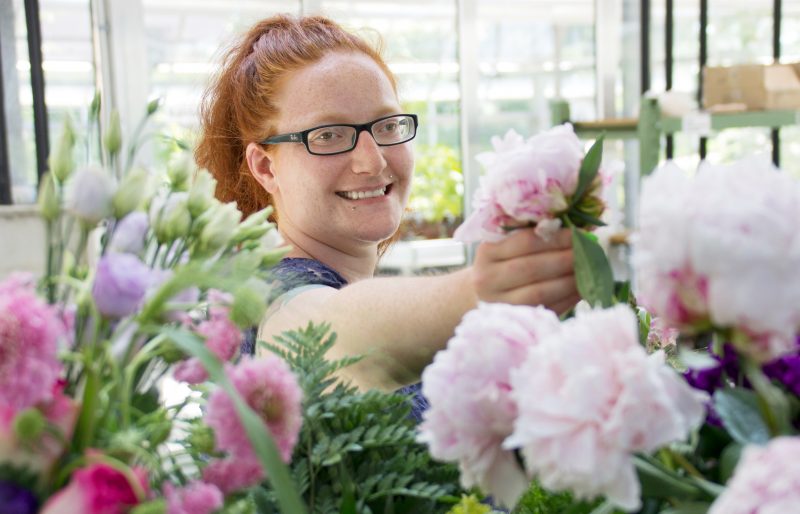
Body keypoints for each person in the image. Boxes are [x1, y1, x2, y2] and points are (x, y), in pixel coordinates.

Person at [195, 14, 579, 405]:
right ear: (265, 167)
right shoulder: (275, 300)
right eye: (328, 135)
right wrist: (482, 290)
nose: (372, 161)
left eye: (386, 126)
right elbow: (326, 334)